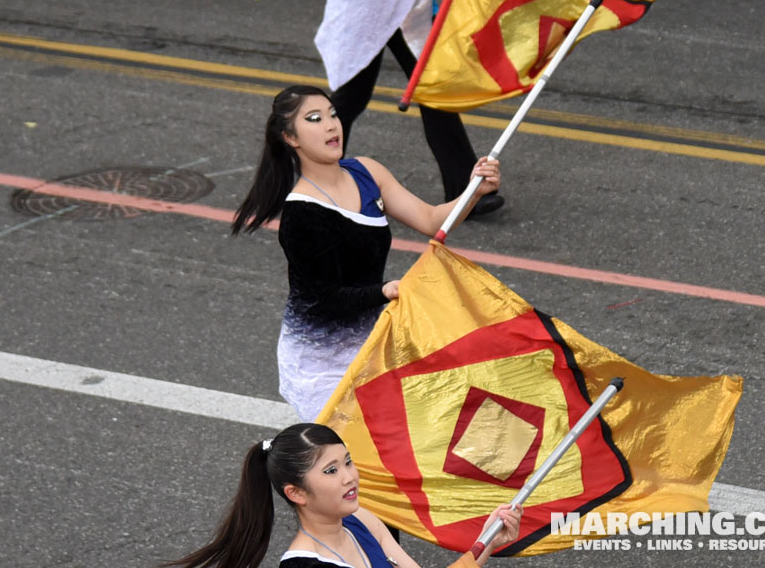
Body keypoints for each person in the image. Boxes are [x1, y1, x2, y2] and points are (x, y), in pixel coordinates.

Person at [231, 85, 500, 422]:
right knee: (347, 461)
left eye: (332, 114)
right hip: (321, 360)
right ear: (291, 138)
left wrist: (474, 190)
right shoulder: (302, 214)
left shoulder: (367, 172)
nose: (331, 125)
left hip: (371, 343)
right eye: (314, 119)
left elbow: (432, 220)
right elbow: (328, 298)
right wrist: (383, 291)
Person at [162, 423, 523, 568]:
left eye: (348, 462)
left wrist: (487, 539)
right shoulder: (303, 566)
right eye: (331, 471)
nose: (350, 477)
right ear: (297, 493)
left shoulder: (360, 519)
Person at [315, 0, 505, 216]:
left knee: (433, 92)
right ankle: (319, 182)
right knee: (350, 100)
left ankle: (463, 190)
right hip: (368, 11)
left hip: (410, 10)